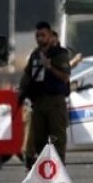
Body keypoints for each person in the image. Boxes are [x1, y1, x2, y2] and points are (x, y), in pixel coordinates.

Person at [18, 21, 72, 168]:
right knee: (39, 139)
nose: (40, 38)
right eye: (37, 36)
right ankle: (45, 168)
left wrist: (49, 67)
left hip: (55, 101)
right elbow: (27, 75)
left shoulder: (60, 54)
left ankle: (59, 169)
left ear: (49, 36)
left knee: (57, 137)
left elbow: (65, 77)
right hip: (38, 101)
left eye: (43, 35)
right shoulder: (35, 55)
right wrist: (21, 92)